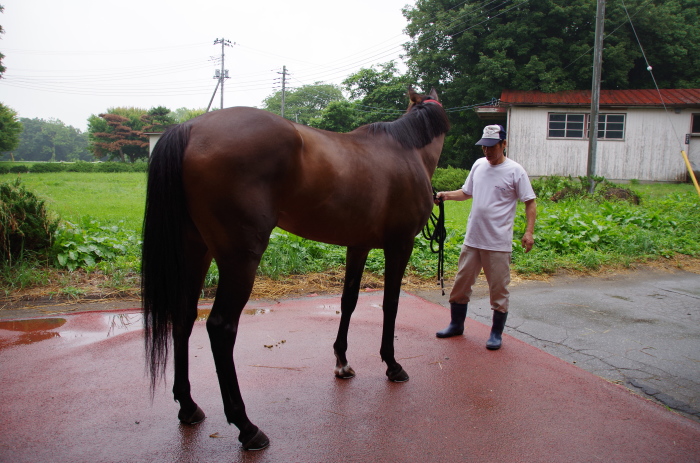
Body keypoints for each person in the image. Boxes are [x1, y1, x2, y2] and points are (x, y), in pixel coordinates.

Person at [435, 124, 536, 350]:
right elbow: (466, 193)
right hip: (473, 240)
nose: (487, 152)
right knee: (461, 285)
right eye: (484, 147)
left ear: (504, 144)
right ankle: (456, 325)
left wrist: (528, 232)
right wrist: (445, 195)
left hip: (498, 243)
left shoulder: (515, 171)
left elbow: (530, 202)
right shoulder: (479, 165)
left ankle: (495, 333)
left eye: (492, 147)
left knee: (498, 290)